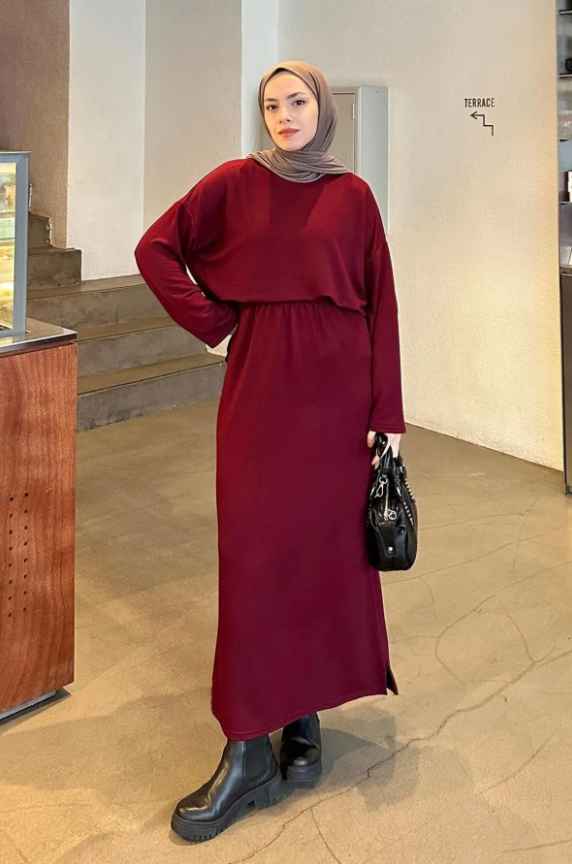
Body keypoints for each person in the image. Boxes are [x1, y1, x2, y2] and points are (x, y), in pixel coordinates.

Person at [134, 59, 406, 843]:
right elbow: (157, 250)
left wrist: (388, 414)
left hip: (338, 404)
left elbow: (382, 304)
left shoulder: (353, 196)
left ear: (321, 108)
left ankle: (302, 720)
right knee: (255, 561)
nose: (284, 115)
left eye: (297, 101)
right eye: (271, 104)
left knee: (319, 559)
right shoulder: (233, 184)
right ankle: (249, 746)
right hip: (260, 396)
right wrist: (216, 324)